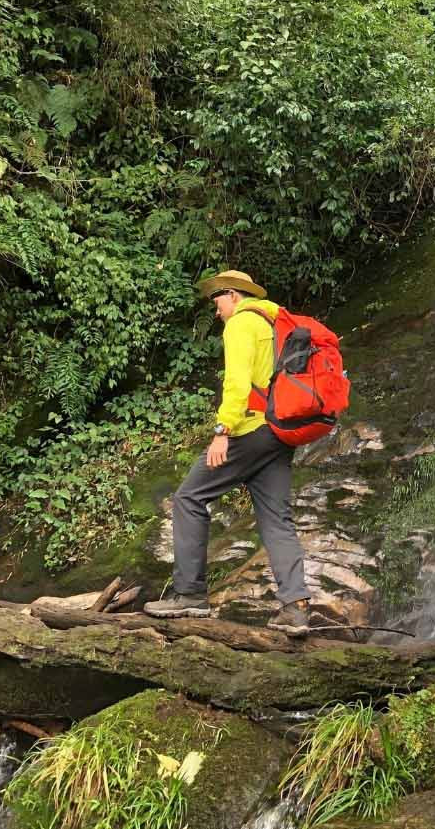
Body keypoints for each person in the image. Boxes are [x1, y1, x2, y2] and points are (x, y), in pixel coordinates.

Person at [146, 270, 312, 634]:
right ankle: (295, 608)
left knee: (189, 497)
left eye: (217, 299)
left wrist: (223, 431)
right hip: (279, 433)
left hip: (250, 429)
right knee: (276, 519)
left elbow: (237, 382)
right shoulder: (273, 321)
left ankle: (189, 594)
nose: (215, 308)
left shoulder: (241, 324)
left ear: (234, 295)